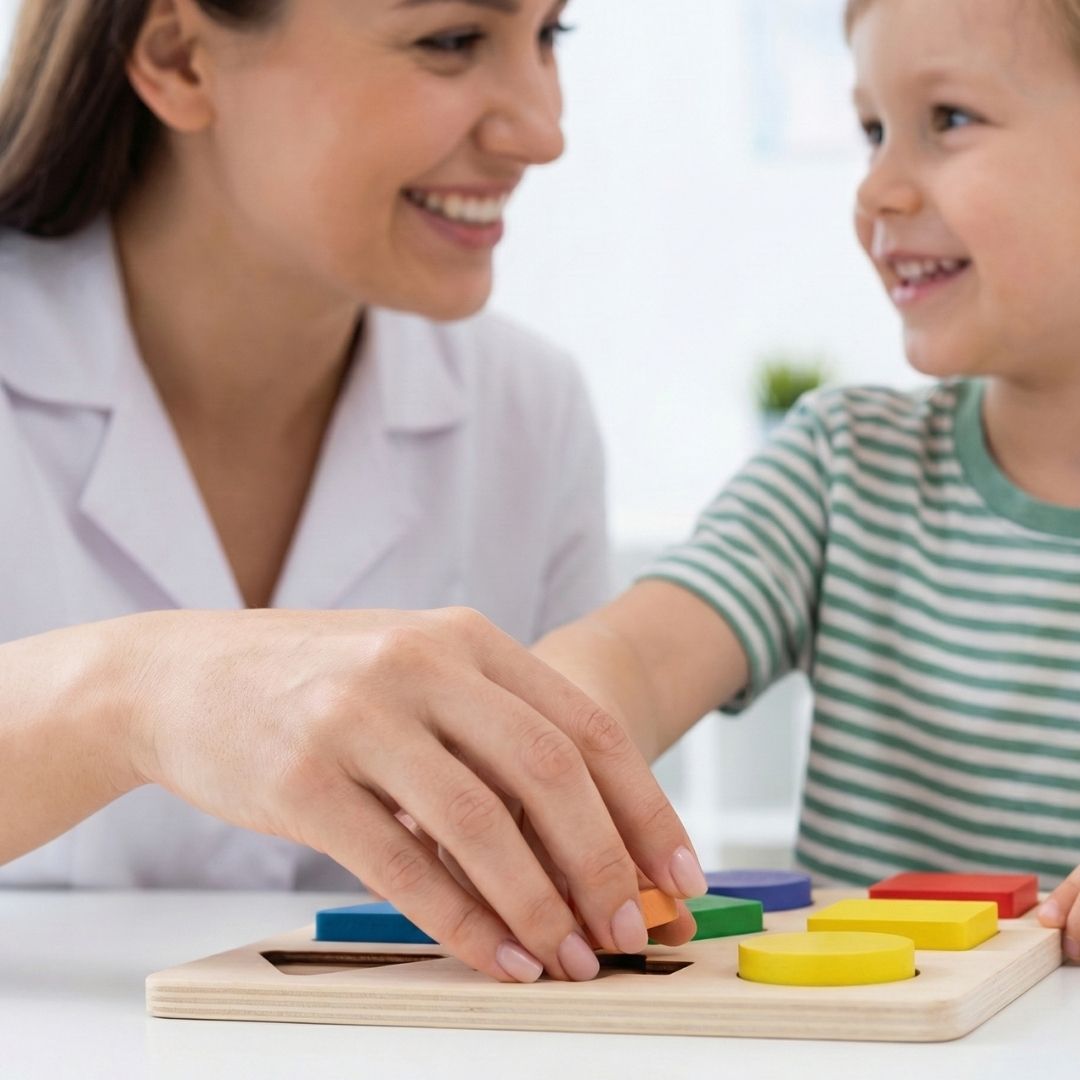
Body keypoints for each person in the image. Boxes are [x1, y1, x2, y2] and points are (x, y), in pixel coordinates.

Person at [0, 0, 707, 985]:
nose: (544, 130)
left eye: (552, 35)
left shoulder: (525, 411)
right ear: (181, 59)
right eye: (451, 41)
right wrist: (141, 692)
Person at [532, 0, 1080, 963]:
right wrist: (536, 746)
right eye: (873, 131)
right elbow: (635, 656)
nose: (877, 189)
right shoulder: (843, 465)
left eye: (948, 119)